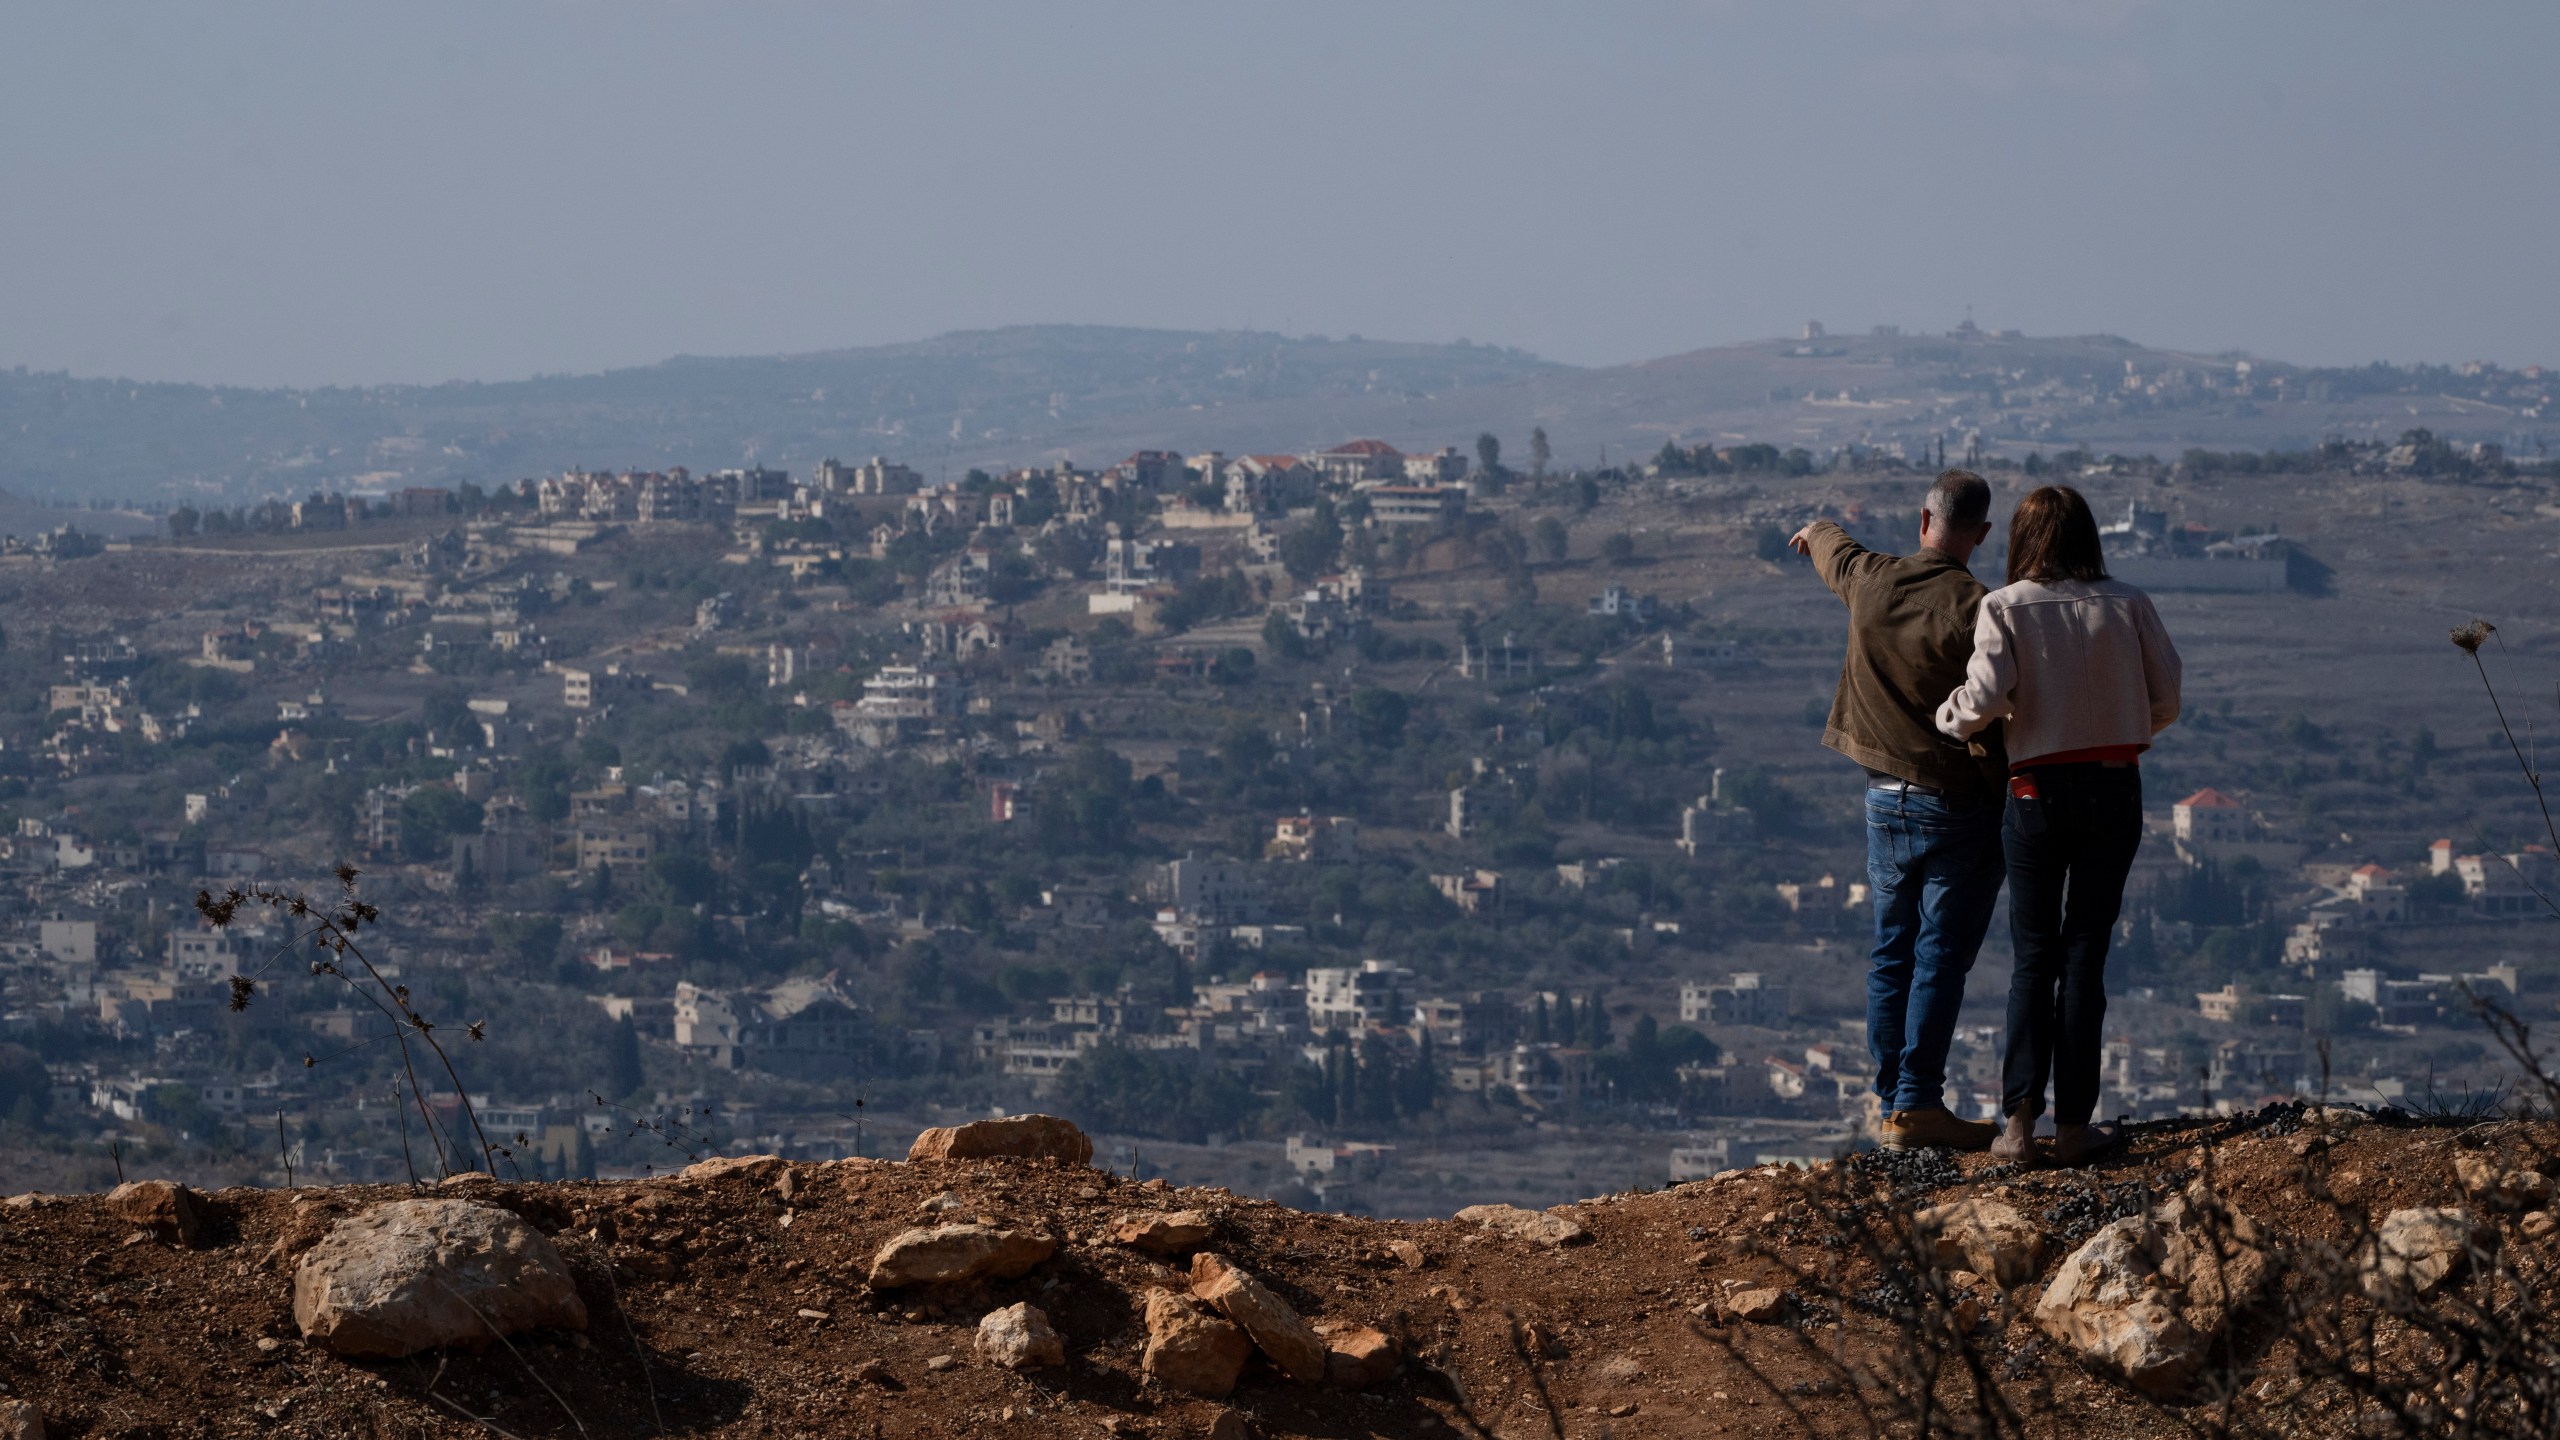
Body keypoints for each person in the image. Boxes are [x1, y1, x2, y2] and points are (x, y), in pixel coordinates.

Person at [1937, 484, 2181, 1167]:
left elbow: (1982, 699)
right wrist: (2119, 726)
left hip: (2036, 789)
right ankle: (2074, 1126)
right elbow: (2167, 698)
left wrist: (1948, 718)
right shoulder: (2129, 603)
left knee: (2032, 957)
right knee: (2085, 955)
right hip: (2113, 785)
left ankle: (2017, 1127)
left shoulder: (2005, 608)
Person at [1790, 470, 2008, 1152]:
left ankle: (1892, 1103)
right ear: (1981, 534)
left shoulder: (1872, 580)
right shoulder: (1982, 609)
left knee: (1891, 953)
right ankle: (1916, 1103)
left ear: (1923, 520)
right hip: (1959, 805)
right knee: (1940, 957)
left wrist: (1815, 529)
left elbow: (1835, 550)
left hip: (1883, 799)